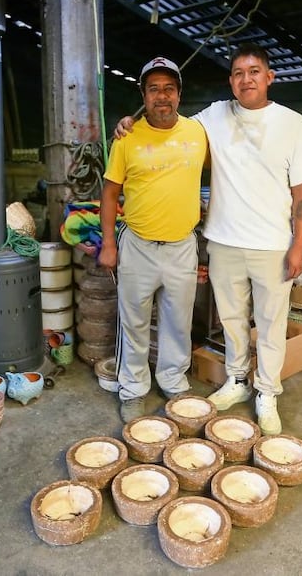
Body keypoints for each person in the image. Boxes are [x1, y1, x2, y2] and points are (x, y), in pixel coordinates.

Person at [116, 43, 302, 434]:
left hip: (272, 243)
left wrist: (298, 245)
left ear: (269, 77)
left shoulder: (294, 125)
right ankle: (238, 381)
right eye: (239, 73)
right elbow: (167, 122)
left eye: (254, 71)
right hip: (224, 241)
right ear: (231, 81)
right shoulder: (213, 116)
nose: (247, 79)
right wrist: (130, 121)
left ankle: (267, 392)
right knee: (231, 319)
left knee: (271, 321)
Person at [100, 57, 209, 423]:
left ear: (179, 94)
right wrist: (109, 245)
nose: (162, 96)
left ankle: (173, 381)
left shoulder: (198, 133)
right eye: (153, 89)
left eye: (168, 88)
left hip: (182, 246)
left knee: (178, 322)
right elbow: (110, 193)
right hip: (138, 246)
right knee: (133, 323)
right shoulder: (127, 139)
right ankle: (132, 389)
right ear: (143, 95)